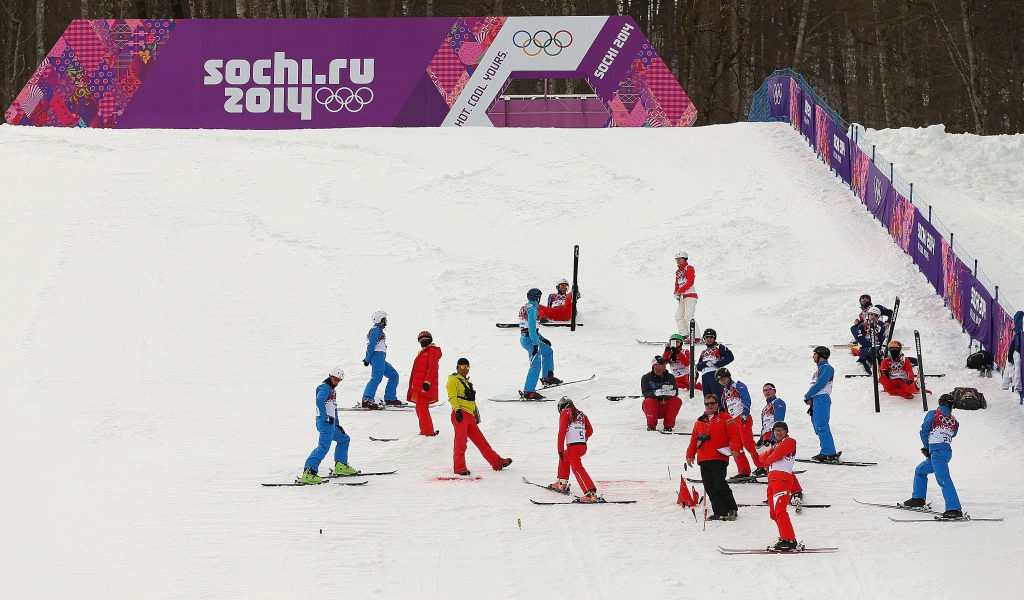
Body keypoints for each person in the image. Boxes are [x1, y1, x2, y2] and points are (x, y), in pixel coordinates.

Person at [446, 358, 512, 476]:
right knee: (460, 442)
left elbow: (472, 401)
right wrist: (457, 410)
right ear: (457, 367)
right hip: (460, 413)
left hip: (469, 415)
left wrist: (476, 414)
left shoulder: (467, 382)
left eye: (468, 367)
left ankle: (497, 462)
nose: (465, 369)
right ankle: (459, 467)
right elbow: (452, 397)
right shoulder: (453, 380)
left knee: (481, 441)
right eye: (463, 367)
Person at [902, 394, 962, 519]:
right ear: (951, 406)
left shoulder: (933, 414)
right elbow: (953, 433)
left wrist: (926, 447)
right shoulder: (954, 420)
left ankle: (954, 509)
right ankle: (918, 499)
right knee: (920, 470)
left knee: (943, 478)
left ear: (940, 403)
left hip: (937, 451)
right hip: (945, 451)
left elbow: (924, 431)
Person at [686, 393, 741, 521]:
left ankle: (732, 508)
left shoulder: (726, 418)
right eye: (707, 403)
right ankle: (719, 511)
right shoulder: (699, 422)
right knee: (710, 486)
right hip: (703, 458)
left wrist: (735, 448)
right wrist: (690, 455)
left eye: (712, 403)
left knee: (720, 484)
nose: (710, 406)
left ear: (717, 404)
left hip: (718, 457)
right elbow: (694, 440)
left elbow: (734, 435)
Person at [301, 367, 358, 483]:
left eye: (339, 380)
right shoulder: (324, 387)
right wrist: (325, 417)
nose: (337, 382)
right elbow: (319, 401)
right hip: (325, 423)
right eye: (335, 379)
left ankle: (341, 466)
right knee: (323, 447)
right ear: (330, 376)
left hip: (330, 424)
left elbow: (333, 409)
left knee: (344, 439)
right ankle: (309, 472)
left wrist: (337, 425)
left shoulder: (332, 390)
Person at [549, 397, 602, 502]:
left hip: (573, 446)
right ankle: (562, 483)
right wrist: (583, 439)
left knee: (577, 469)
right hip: (582, 446)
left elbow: (562, 432)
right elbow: (590, 430)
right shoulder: (582, 414)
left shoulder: (565, 413)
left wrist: (559, 449)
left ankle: (590, 493)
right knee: (565, 455)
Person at [757, 384, 803, 502]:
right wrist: (762, 438)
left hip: (774, 435)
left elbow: (779, 421)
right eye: (764, 390)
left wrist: (773, 437)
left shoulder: (778, 402)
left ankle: (796, 491)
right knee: (771, 467)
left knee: (781, 465)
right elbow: (765, 425)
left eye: (769, 389)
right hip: (767, 435)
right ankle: (774, 491)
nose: (767, 391)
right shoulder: (765, 408)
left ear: (774, 391)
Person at [757, 421, 799, 551]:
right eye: (776, 431)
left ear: (786, 431)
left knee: (780, 510)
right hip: (772, 480)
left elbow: (769, 458)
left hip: (782, 479)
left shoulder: (789, 442)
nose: (778, 433)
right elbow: (761, 459)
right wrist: (770, 455)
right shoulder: (776, 445)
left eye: (781, 430)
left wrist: (770, 455)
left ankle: (790, 540)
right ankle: (784, 537)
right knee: (774, 513)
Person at [717, 368, 765, 479]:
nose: (723, 382)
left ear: (728, 376)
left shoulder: (738, 385)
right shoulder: (724, 393)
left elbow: (746, 399)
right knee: (735, 446)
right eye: (720, 381)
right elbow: (724, 409)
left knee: (748, 443)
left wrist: (745, 413)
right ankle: (743, 470)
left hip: (742, 417)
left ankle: (762, 466)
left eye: (723, 379)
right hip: (732, 421)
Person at [520, 288, 559, 399]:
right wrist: (536, 343)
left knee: (547, 351)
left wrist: (542, 339)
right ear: (537, 298)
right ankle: (529, 391)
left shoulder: (526, 307)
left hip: (528, 337)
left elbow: (531, 328)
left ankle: (547, 377)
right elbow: (531, 327)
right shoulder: (532, 309)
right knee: (536, 364)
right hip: (530, 340)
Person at [804, 346, 840, 462]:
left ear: (820, 355)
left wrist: (807, 395)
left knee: (821, 425)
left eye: (814, 354)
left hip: (821, 398)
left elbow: (820, 384)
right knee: (818, 426)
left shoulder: (827, 368)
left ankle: (828, 452)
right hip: (817, 400)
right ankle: (827, 450)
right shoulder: (819, 369)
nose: (813, 356)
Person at [362, 310, 402, 408]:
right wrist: (367, 359)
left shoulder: (379, 330)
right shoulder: (375, 330)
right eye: (384, 319)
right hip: (377, 357)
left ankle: (390, 398)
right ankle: (366, 400)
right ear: (380, 319)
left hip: (380, 358)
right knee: (376, 377)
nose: (386, 321)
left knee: (394, 375)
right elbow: (371, 345)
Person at [407, 330, 441, 436]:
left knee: (421, 408)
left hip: (425, 385)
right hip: (420, 385)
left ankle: (427, 431)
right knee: (420, 408)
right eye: (421, 339)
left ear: (430, 339)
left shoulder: (432, 351)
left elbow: (433, 366)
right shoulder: (423, 353)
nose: (423, 340)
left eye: (426, 339)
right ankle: (426, 430)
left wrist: (427, 382)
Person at [641, 356, 681, 432]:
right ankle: (651, 426)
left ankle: (668, 426)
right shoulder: (646, 378)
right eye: (661, 363)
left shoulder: (670, 377)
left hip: (666, 404)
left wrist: (672, 393)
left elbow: (675, 391)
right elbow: (645, 393)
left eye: (664, 363)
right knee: (648, 401)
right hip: (653, 406)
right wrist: (655, 394)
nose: (664, 364)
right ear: (654, 366)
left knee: (676, 400)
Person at [696, 328, 734, 400]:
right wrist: (705, 363)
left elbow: (730, 357)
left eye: (711, 337)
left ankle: (721, 410)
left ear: (714, 338)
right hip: (705, 376)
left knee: (717, 397)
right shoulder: (703, 352)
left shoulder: (719, 347)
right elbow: (698, 367)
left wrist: (717, 364)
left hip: (715, 374)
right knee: (708, 398)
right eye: (707, 337)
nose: (709, 339)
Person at [851, 306, 888, 375]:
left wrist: (881, 346)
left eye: (875, 315)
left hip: (877, 347)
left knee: (886, 352)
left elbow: (883, 338)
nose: (873, 317)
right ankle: (875, 368)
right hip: (865, 348)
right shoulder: (862, 326)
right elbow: (861, 340)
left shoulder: (881, 325)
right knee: (873, 351)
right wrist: (873, 345)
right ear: (868, 315)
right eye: (871, 314)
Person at [673, 251, 698, 335]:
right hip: (682, 297)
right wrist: (676, 292)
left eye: (680, 259)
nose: (678, 261)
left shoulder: (689, 268)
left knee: (689, 316)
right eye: (677, 259)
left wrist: (680, 291)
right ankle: (684, 334)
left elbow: (690, 282)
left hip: (690, 296)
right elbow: (677, 283)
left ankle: (696, 337)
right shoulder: (678, 272)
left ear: (685, 259)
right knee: (678, 316)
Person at [1002, 311, 1023, 398]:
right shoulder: (1016, 334)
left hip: (1016, 350)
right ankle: (1009, 384)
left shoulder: (1017, 334)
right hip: (1015, 351)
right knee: (1013, 366)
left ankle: (1010, 384)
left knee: (1014, 366)